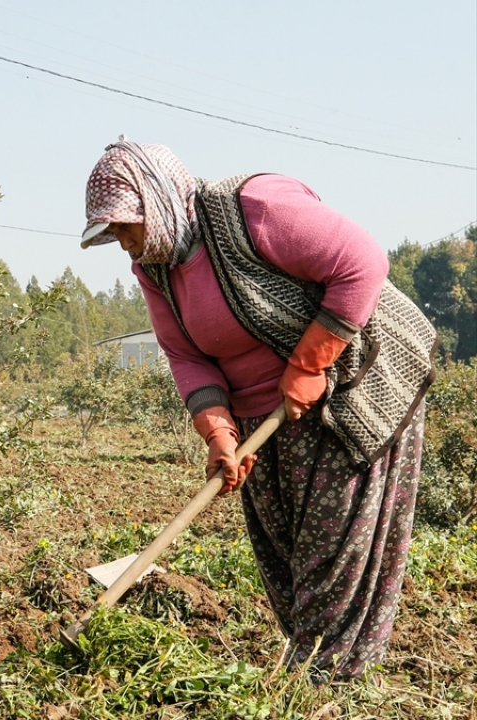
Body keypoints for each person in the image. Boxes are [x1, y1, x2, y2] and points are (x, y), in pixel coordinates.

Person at [79, 139, 436, 681]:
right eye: (115, 234)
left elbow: (362, 264)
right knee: (282, 555)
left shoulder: (251, 211)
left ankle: (326, 685)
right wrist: (218, 431)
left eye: (129, 226)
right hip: (262, 415)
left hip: (353, 392)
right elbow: (184, 354)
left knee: (331, 554)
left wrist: (312, 362)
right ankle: (310, 669)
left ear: (160, 198)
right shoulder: (154, 266)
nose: (125, 243)